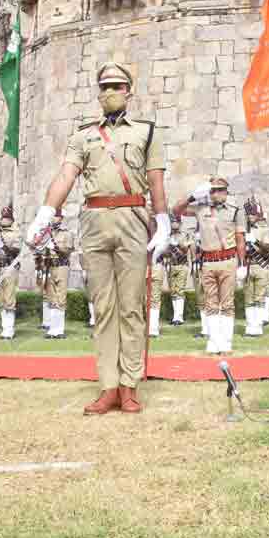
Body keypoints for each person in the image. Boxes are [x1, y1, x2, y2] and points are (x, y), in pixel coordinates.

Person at [26, 62, 169, 415]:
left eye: (116, 86)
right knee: (102, 308)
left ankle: (129, 385)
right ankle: (108, 386)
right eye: (104, 87)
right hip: (93, 220)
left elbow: (155, 181)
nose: (109, 92)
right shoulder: (83, 135)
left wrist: (163, 221)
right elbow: (66, 174)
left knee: (132, 307)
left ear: (128, 91)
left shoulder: (147, 132)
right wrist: (46, 211)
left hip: (133, 219)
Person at [175, 177, 245, 354]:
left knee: (227, 303)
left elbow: (240, 239)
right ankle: (214, 341)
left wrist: (242, 264)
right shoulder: (201, 209)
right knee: (210, 303)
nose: (216, 193)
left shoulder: (235, 211)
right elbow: (176, 210)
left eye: (220, 190)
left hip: (228, 260)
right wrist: (192, 196)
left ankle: (226, 342)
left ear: (226, 191)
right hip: (208, 262)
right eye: (213, 190)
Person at [0, 203, 24, 340]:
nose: (3, 220)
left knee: (9, 297)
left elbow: (16, 250)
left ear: (11, 220)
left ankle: (9, 330)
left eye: (6, 218)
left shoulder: (16, 233)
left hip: (10, 267)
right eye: (2, 218)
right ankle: (4, 328)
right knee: (0, 298)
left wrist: (2, 245)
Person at [242, 196, 269, 338]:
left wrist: (255, 241)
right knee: (248, 298)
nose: (250, 217)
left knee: (259, 297)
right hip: (248, 265)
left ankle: (258, 327)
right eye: (248, 214)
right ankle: (250, 327)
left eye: (252, 214)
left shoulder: (265, 230)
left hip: (261, 265)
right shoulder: (242, 230)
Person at [39, 209, 73, 339]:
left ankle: (59, 329)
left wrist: (56, 248)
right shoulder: (46, 233)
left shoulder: (66, 234)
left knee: (60, 297)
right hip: (49, 266)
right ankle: (52, 329)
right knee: (51, 298)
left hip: (61, 266)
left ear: (61, 218)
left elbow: (68, 250)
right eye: (52, 217)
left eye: (56, 217)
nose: (53, 219)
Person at [163, 216, 191, 326]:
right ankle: (175, 317)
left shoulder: (185, 235)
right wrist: (167, 245)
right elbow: (164, 253)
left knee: (180, 290)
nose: (174, 224)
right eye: (172, 222)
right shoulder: (167, 236)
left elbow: (186, 249)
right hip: (171, 265)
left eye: (176, 222)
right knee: (173, 291)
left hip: (182, 264)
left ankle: (179, 317)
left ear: (180, 223)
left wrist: (178, 243)